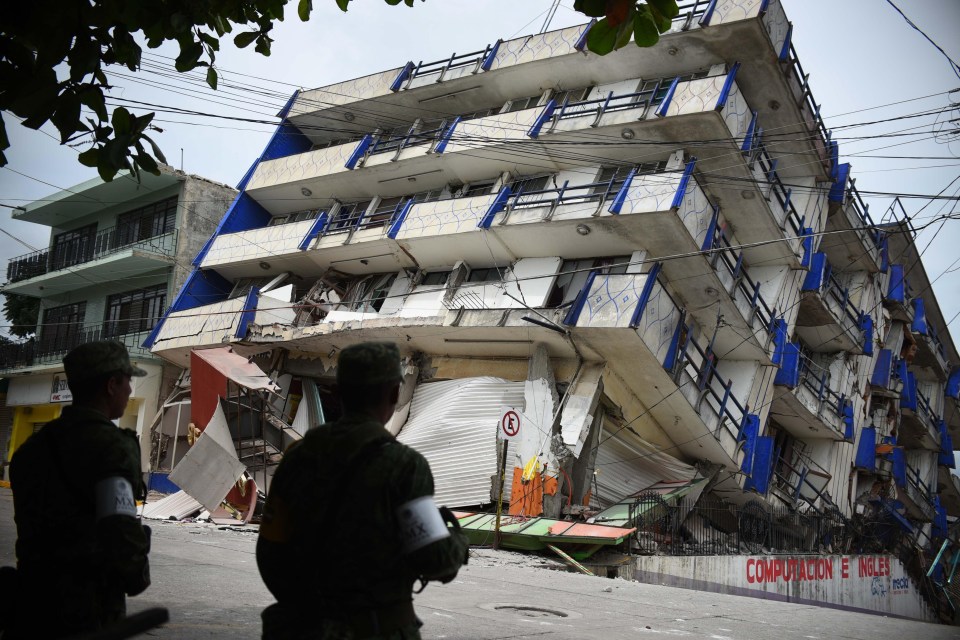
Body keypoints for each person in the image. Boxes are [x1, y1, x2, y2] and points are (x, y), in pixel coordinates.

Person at [258, 341, 469, 640]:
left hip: (300, 628)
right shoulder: (403, 466)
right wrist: (457, 541)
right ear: (395, 394)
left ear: (339, 392)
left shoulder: (298, 457)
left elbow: (269, 554)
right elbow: (435, 560)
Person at [7, 340, 152, 639]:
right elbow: (119, 525)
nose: (129, 391)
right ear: (111, 384)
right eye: (127, 382)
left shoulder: (33, 448)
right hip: (84, 609)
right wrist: (136, 572)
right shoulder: (111, 447)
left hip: (30, 600)